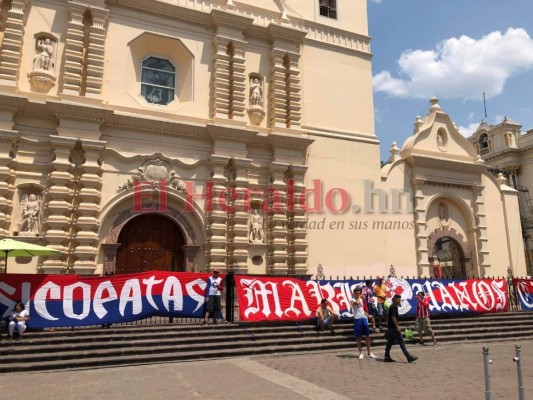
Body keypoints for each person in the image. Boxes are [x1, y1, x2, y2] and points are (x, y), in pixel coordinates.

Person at [384, 294, 417, 363]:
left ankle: (386, 356)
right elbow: (393, 317)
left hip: (391, 328)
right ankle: (408, 357)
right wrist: (397, 326)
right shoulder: (393, 306)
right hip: (393, 328)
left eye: (400, 300)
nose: (400, 301)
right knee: (401, 341)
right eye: (399, 300)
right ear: (395, 299)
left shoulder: (393, 306)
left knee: (390, 342)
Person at [350, 287, 376, 359]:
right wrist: (359, 297)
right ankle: (361, 353)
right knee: (358, 337)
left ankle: (369, 352)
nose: (359, 294)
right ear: (354, 293)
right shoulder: (352, 300)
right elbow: (357, 303)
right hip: (357, 319)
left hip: (363, 318)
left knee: (367, 336)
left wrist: (367, 315)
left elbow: (361, 309)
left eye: (359, 293)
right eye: (357, 293)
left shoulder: (361, 299)